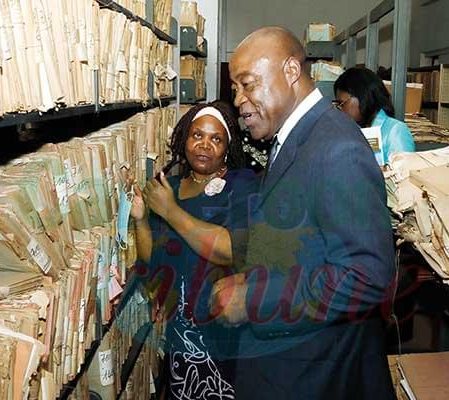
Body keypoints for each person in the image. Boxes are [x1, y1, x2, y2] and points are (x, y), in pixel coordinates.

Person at [210, 27, 397, 399]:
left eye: (248, 84)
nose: (239, 101)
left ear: (291, 72)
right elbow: (304, 236)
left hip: (315, 375)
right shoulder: (297, 137)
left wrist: (254, 300)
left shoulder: (335, 148)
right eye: (234, 89)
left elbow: (366, 275)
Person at [131, 101, 258, 400]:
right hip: (182, 332)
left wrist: (171, 211)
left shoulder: (242, 186)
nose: (205, 145)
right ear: (184, 139)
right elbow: (153, 258)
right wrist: (140, 220)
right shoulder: (169, 187)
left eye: (216, 139)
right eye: (197, 135)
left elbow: (230, 249)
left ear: (228, 147)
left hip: (224, 329)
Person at [334, 67, 416, 166]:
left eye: (342, 103)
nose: (340, 110)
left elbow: (402, 177)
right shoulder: (353, 129)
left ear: (362, 96)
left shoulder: (395, 131)